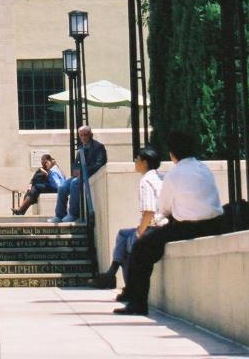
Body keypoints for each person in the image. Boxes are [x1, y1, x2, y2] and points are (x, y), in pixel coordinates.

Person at [114, 129, 223, 316]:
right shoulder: (204, 169)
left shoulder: (173, 174)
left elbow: (164, 209)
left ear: (172, 154)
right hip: (215, 223)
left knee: (140, 249)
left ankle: (137, 303)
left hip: (188, 228)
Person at [95, 145, 166, 288]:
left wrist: (140, 233)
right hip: (164, 226)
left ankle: (129, 289)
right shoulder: (162, 177)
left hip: (153, 228)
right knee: (123, 234)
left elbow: (149, 212)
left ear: (145, 163)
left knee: (128, 247)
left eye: (137, 159)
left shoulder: (146, 181)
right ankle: (112, 272)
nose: (135, 161)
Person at [53, 125, 107, 222]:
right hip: (81, 175)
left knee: (75, 183)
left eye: (85, 135)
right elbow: (76, 163)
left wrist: (85, 171)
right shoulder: (81, 148)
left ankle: (73, 214)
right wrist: (76, 170)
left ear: (91, 135)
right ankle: (59, 215)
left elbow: (99, 164)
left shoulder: (98, 147)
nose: (83, 137)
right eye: (81, 135)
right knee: (62, 186)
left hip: (91, 174)